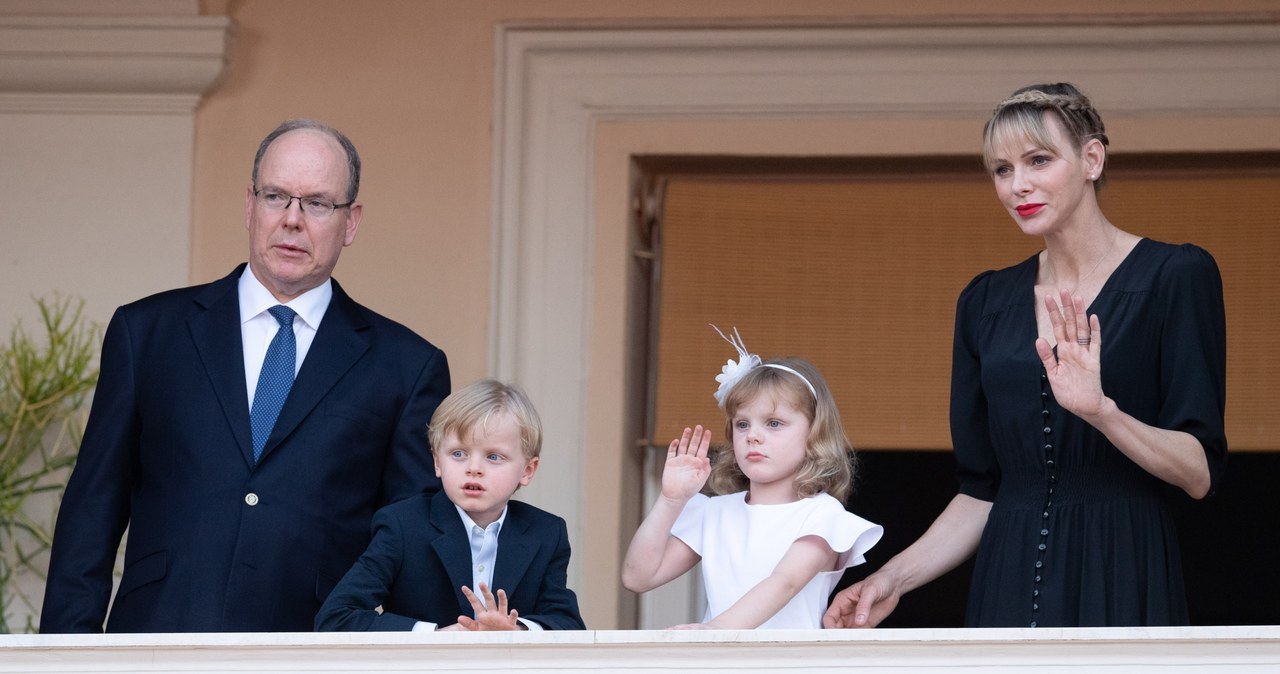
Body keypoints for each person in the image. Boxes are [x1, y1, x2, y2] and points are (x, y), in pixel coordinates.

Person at [824, 83, 1227, 629]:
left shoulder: (1175, 276)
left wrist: (1100, 411)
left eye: (1038, 160)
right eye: (1002, 169)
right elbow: (981, 493)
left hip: (1121, 565)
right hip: (1006, 573)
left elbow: (1197, 472)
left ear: (1091, 158)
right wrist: (888, 580)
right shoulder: (983, 302)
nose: (1019, 185)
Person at [40, 119, 451, 633]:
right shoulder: (147, 334)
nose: (292, 220)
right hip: (157, 643)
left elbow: (409, 544)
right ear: (250, 205)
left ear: (351, 222)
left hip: (316, 655)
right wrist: (64, 656)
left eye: (318, 203)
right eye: (276, 196)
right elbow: (91, 513)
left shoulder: (406, 366)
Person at [622, 328, 882, 629]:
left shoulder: (822, 516)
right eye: (742, 424)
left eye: (774, 423)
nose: (753, 436)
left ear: (814, 434)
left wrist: (715, 631)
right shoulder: (714, 512)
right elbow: (637, 576)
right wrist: (671, 501)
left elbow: (784, 582)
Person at [315, 379, 584, 631]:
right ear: (436, 462)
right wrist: (436, 636)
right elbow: (337, 616)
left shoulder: (546, 532)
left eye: (493, 456)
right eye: (458, 454)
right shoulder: (402, 526)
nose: (474, 468)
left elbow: (566, 622)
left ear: (528, 469)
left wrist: (518, 630)